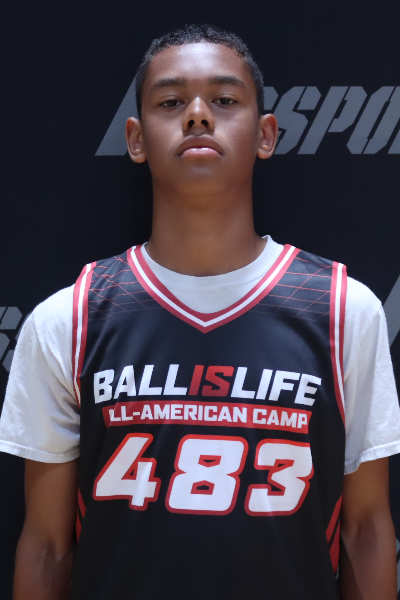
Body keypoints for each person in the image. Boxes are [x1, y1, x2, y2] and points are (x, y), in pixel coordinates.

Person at [1, 24, 400, 600]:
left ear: (265, 135)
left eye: (224, 100)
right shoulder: (71, 318)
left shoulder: (342, 310)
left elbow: (365, 529)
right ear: (136, 139)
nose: (196, 116)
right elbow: (46, 545)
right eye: (170, 102)